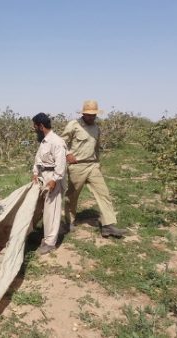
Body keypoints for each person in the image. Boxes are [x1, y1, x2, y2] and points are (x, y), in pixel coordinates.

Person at [60, 100, 127, 238]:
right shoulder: (74, 125)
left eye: (93, 115)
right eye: (88, 115)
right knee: (72, 196)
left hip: (92, 165)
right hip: (77, 166)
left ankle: (108, 226)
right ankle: (70, 221)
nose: (91, 117)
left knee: (104, 193)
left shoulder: (96, 128)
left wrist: (98, 162)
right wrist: (68, 154)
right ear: (83, 113)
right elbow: (61, 142)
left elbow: (96, 147)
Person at [32, 113, 67, 255]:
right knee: (42, 209)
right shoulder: (44, 141)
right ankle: (43, 236)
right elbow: (39, 160)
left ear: (41, 126)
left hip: (53, 178)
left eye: (35, 127)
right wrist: (35, 173)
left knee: (51, 211)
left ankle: (50, 243)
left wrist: (54, 180)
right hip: (43, 176)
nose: (34, 130)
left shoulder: (57, 141)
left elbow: (61, 164)